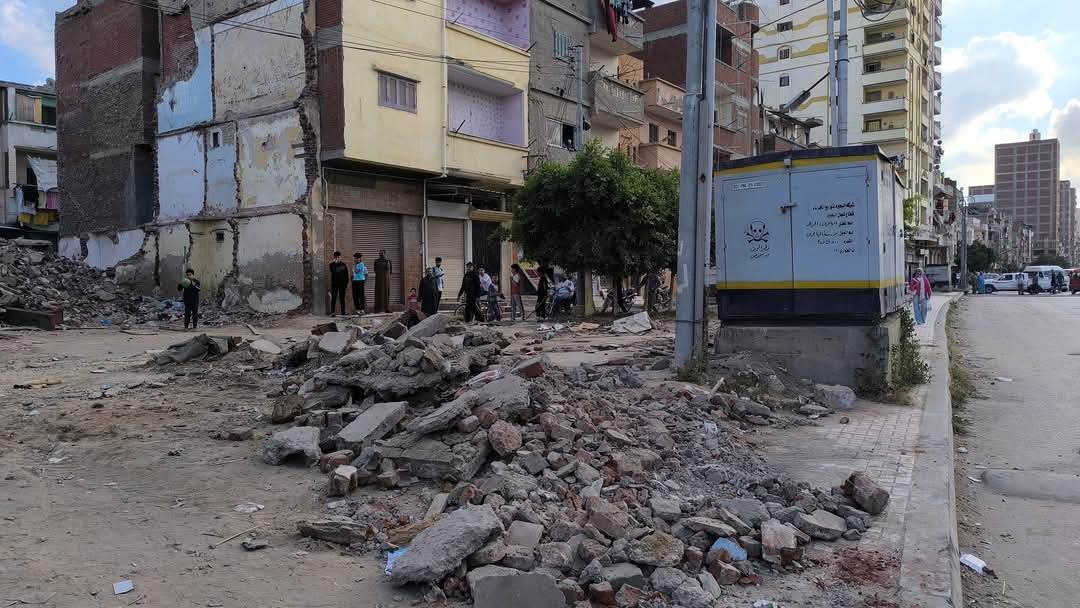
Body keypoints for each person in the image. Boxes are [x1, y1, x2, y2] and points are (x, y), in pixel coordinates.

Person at [328, 251, 349, 316]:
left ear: (340, 257)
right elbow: (333, 271)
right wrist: (335, 263)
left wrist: (346, 283)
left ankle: (343, 312)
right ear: (334, 258)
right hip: (335, 284)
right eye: (336, 257)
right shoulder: (332, 265)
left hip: (342, 284)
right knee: (334, 297)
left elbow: (346, 274)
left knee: (342, 298)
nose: (337, 258)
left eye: (338, 257)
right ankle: (332, 312)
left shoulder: (344, 265)